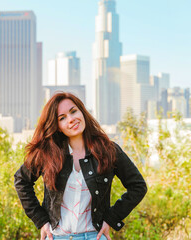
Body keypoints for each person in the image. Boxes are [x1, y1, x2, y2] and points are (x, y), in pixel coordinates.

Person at [14, 92, 147, 240]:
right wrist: (41, 221)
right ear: (57, 126)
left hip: (94, 236)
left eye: (73, 111)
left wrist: (111, 219)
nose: (71, 119)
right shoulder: (47, 154)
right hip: (57, 236)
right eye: (62, 118)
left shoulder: (108, 150)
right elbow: (21, 181)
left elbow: (138, 186)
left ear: (82, 111)